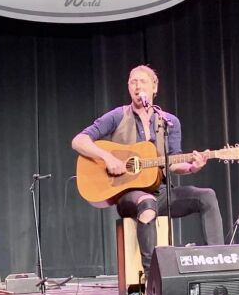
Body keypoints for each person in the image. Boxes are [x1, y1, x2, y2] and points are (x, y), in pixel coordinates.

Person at [72, 65, 224, 277]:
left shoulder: (168, 122)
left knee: (207, 196)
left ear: (154, 87)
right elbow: (79, 141)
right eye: (133, 82)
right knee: (146, 203)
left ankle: (217, 264)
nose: (137, 86)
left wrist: (191, 166)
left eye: (143, 81)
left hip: (161, 192)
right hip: (128, 196)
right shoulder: (117, 116)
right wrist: (107, 157)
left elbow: (172, 162)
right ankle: (153, 278)